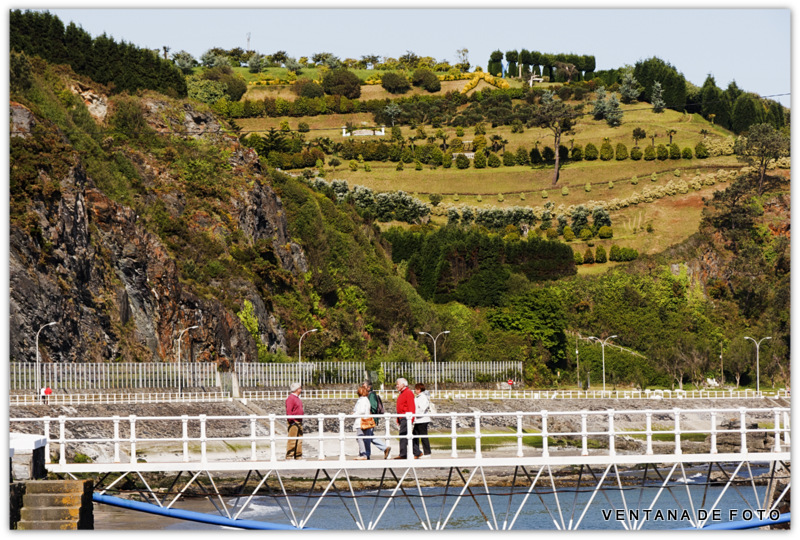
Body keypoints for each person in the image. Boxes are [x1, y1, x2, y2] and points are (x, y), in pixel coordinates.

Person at [363, 381, 391, 459]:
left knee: (368, 436)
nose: (362, 387)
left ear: (369, 387)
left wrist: (369, 414)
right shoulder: (369, 394)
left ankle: (367, 454)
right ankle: (384, 448)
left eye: (364, 386)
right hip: (370, 418)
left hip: (370, 419)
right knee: (370, 435)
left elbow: (374, 407)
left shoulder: (371, 395)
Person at [393, 378, 416, 459]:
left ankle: (403, 454)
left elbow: (411, 407)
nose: (396, 386)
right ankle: (417, 452)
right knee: (406, 435)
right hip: (402, 417)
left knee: (403, 435)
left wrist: (411, 419)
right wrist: (398, 419)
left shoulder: (408, 393)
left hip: (406, 418)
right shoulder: (402, 393)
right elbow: (399, 407)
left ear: (403, 384)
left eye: (398, 384)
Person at [353, 386, 373, 460]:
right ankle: (367, 454)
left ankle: (363, 454)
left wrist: (353, 414)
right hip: (367, 421)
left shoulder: (361, 400)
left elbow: (361, 411)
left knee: (359, 438)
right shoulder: (366, 400)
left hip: (361, 421)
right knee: (366, 438)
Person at [285, 382, 304, 460]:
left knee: (299, 440)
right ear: (297, 389)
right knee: (292, 439)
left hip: (298, 421)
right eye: (300, 388)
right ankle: (289, 456)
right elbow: (289, 410)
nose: (301, 389)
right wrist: (291, 421)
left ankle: (298, 455)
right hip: (294, 421)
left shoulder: (296, 398)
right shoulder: (291, 398)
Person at [412, 383, 432, 459]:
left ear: (419, 390)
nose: (415, 390)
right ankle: (417, 452)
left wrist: (415, 414)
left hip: (422, 419)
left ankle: (427, 453)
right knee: (415, 436)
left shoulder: (422, 397)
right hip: (419, 419)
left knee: (423, 436)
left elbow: (422, 408)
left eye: (416, 389)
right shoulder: (419, 397)